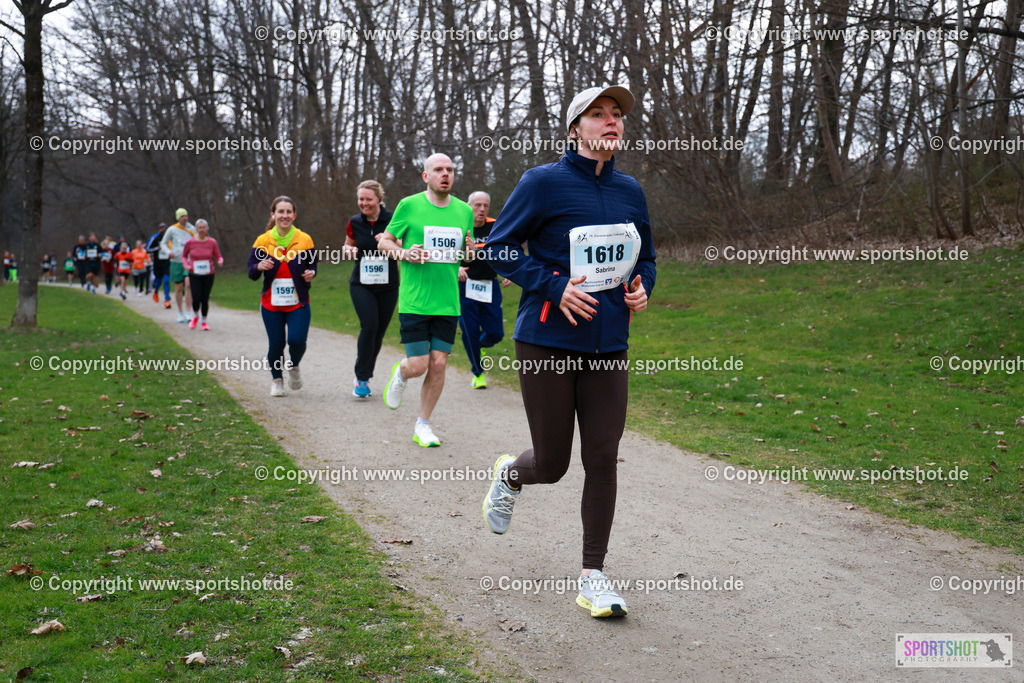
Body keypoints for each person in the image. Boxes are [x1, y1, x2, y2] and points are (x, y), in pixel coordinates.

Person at [480, 85, 656, 618]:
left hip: (609, 344)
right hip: (548, 341)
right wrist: (554, 287)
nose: (611, 123)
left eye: (616, 116)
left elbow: (645, 256)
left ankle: (593, 576)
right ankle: (512, 474)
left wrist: (642, 285)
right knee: (553, 463)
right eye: (598, 115)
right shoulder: (543, 183)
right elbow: (500, 249)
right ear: (575, 127)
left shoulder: (630, 191)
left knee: (602, 455)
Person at [376, 153, 475, 447]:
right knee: (418, 365)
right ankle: (401, 373)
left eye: (450, 170)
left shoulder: (463, 211)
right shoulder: (409, 206)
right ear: (426, 176)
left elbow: (463, 255)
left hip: (447, 302)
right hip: (415, 300)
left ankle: (423, 424)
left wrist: (470, 252)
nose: (446, 174)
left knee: (440, 364)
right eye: (439, 170)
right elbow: (384, 242)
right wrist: (406, 253)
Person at [247, 196, 317, 396]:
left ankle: (294, 366)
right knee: (276, 343)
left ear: (294, 215)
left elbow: (312, 265)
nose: (284, 216)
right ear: (273, 214)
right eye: (280, 212)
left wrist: (311, 274)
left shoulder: (305, 239)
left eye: (288, 212)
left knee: (297, 340)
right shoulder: (263, 240)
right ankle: (277, 380)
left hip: (298, 302)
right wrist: (259, 266)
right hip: (271, 303)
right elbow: (251, 272)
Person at [344, 180, 398, 398]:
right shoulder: (355, 222)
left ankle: (366, 374)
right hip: (362, 284)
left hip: (388, 285)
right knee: (370, 325)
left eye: (368, 199)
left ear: (379, 200)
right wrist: (347, 250)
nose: (364, 203)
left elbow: (403, 245)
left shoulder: (393, 219)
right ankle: (361, 377)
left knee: (379, 332)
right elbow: (348, 244)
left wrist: (389, 242)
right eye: (361, 199)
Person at [458, 191, 511, 389]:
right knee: (469, 329)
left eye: (485, 205)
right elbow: (445, 252)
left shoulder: (495, 225)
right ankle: (478, 373)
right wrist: (457, 267)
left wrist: (508, 271)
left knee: (496, 333)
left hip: (489, 285)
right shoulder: (460, 226)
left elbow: (506, 250)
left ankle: (475, 346)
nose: (481, 210)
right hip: (465, 285)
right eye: (477, 205)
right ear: (468, 205)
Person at [182, 219, 223, 330]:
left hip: (208, 274)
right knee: (196, 297)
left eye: (203, 227)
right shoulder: (190, 242)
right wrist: (186, 265)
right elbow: (184, 256)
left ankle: (204, 321)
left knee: (205, 298)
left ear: (207, 229)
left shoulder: (212, 242)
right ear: (196, 229)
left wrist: (220, 260)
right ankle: (195, 316)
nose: (201, 230)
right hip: (194, 273)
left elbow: (218, 255)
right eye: (199, 228)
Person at [165, 209, 196, 322]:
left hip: (189, 261)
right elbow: (163, 243)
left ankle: (188, 312)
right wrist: (169, 252)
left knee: (188, 284)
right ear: (177, 218)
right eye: (182, 216)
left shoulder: (192, 229)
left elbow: (198, 241)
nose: (185, 218)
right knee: (178, 288)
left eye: (186, 216)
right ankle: (180, 312)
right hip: (176, 261)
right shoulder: (172, 229)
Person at [147, 223, 171, 307]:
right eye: (161, 228)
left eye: (164, 228)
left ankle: (166, 300)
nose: (163, 230)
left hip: (167, 262)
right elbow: (147, 249)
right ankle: (156, 291)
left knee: (167, 280)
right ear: (158, 230)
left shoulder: (170, 238)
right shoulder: (155, 238)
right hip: (158, 263)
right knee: (158, 281)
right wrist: (157, 248)